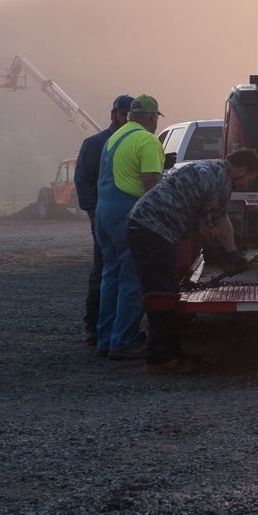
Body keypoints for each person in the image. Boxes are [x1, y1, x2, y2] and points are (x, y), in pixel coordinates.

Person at [126, 148, 258, 366]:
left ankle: (171, 350)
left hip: (147, 227)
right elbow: (206, 229)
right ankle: (161, 358)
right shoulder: (218, 182)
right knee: (161, 293)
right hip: (152, 230)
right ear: (241, 170)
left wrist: (233, 251)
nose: (246, 185)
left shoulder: (214, 170)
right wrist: (218, 254)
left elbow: (221, 217)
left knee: (167, 287)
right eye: (249, 178)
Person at [94, 93, 165, 359]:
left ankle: (105, 339)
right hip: (128, 213)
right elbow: (151, 184)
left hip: (104, 212)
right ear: (149, 117)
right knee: (132, 279)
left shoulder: (114, 138)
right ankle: (123, 341)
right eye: (156, 118)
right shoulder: (147, 140)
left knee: (109, 277)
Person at [75, 95, 134, 345]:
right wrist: (92, 213)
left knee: (117, 272)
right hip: (105, 217)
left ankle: (113, 328)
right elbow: (83, 180)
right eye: (124, 115)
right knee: (104, 271)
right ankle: (95, 327)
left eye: (132, 116)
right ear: (113, 114)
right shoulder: (96, 143)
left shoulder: (130, 143)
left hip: (118, 216)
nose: (127, 120)